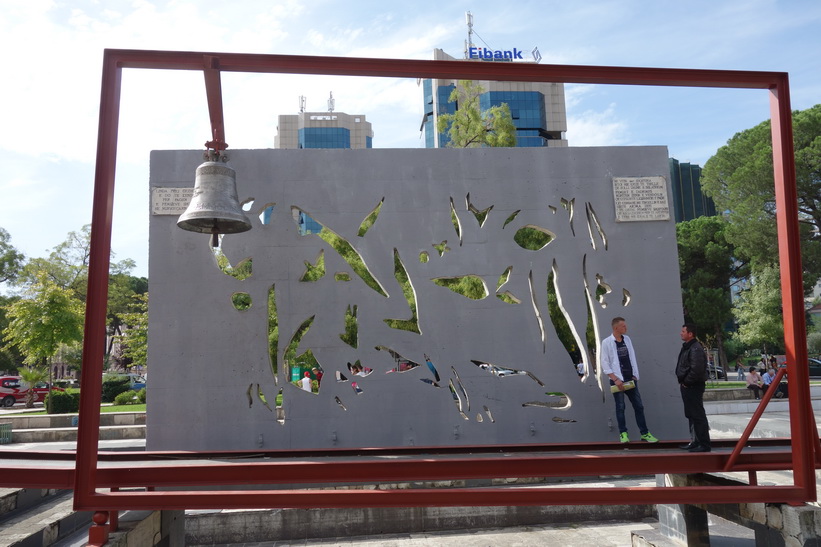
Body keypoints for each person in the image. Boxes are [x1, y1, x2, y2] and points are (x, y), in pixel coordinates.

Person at [600, 317, 659, 444]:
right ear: (616, 328)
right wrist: (615, 379)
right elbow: (604, 363)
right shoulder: (606, 342)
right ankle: (623, 434)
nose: (626, 328)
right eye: (623, 326)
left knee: (639, 406)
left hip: (630, 380)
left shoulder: (627, 339)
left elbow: (632, 357)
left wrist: (635, 375)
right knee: (620, 407)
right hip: (618, 381)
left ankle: (645, 433)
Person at [676, 323, 711, 452]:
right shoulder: (688, 347)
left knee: (697, 414)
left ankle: (704, 443)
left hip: (693, 386)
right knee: (691, 414)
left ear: (690, 334)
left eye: (683, 331)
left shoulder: (695, 348)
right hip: (688, 386)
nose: (681, 333)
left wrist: (687, 382)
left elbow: (697, 369)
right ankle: (695, 441)